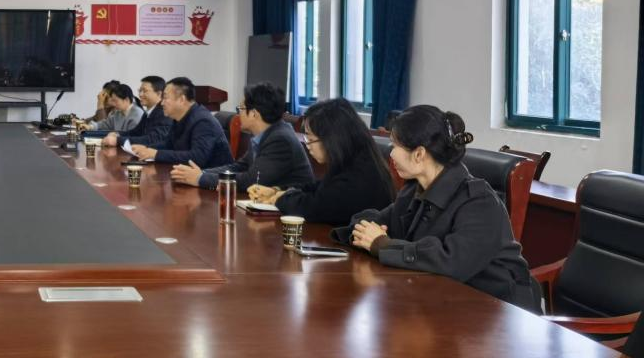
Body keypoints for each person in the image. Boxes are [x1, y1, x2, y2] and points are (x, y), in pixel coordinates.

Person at [331, 105, 539, 311]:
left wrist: (381, 244)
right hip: (443, 301)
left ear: (419, 154)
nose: (391, 154)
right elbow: (380, 219)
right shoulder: (413, 189)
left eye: (395, 145)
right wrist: (364, 230)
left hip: (499, 311)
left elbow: (451, 262)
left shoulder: (480, 202)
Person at [249, 98, 395, 224]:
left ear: (332, 139)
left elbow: (314, 207)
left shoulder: (361, 175)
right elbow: (319, 187)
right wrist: (277, 190)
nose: (308, 146)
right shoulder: (352, 159)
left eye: (311, 139)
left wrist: (280, 199)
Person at [171, 82, 312, 191]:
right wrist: (200, 173)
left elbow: (251, 181)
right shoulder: (264, 134)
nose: (238, 114)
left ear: (254, 114)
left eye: (241, 109)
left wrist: (201, 178)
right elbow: (239, 167)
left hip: (291, 214)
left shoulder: (280, 140)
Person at [131, 77, 232, 168]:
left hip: (215, 179)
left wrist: (156, 154)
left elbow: (198, 158)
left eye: (165, 98)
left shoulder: (203, 121)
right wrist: (146, 149)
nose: (162, 103)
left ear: (181, 99)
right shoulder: (178, 118)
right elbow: (169, 144)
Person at [104, 75, 172, 149]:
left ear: (159, 94)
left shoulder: (164, 112)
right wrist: (118, 135)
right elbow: (135, 132)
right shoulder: (148, 112)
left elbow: (152, 139)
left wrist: (118, 140)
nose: (140, 94)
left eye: (145, 91)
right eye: (140, 91)